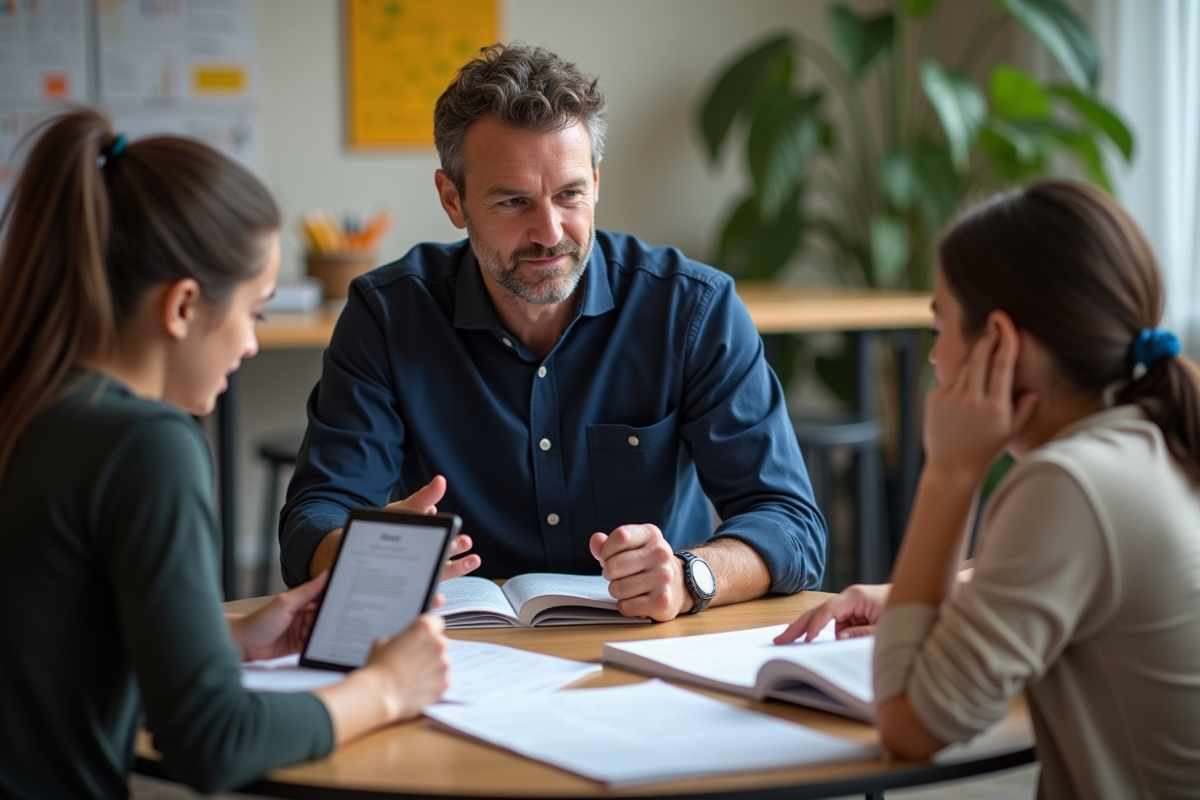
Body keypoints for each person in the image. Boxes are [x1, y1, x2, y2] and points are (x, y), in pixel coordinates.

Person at [279, 43, 826, 620]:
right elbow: (315, 515)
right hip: (464, 644)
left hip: (650, 639)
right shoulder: (387, 315)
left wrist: (692, 575)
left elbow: (790, 523)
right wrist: (364, 554)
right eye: (514, 201)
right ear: (452, 200)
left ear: (596, 181)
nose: (549, 232)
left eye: (569, 195)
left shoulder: (691, 309)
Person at [0, 108, 451, 799]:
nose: (251, 344)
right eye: (254, 311)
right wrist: (387, 689)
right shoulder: (146, 444)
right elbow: (213, 741)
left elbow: (51, 618)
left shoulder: (32, 400)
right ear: (183, 307)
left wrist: (224, 634)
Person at [777, 179, 1200, 797]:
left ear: (997, 342)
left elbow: (909, 725)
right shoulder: (1158, 439)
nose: (934, 359)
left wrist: (950, 472)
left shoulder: (1068, 484)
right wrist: (926, 596)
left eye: (939, 329)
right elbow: (1085, 576)